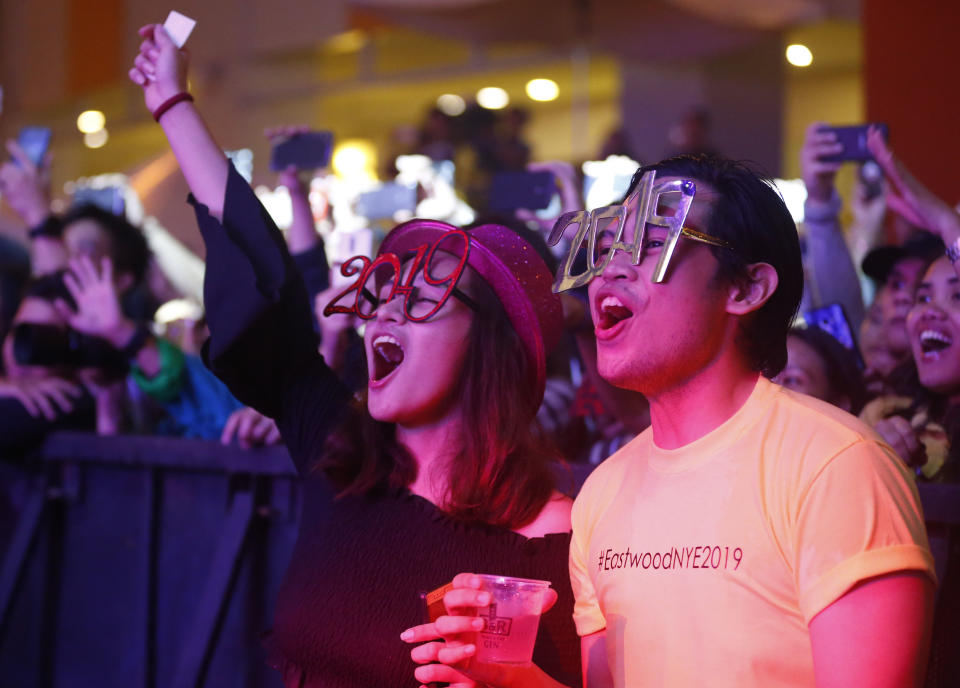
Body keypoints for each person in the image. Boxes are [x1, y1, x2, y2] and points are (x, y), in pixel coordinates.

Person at [129, 23, 580, 687]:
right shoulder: (339, 456)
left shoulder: (560, 535)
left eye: (422, 299)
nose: (383, 313)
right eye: (381, 295)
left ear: (490, 345)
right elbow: (260, 271)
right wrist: (173, 102)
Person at [413, 154, 936, 687]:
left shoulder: (837, 466)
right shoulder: (603, 494)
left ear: (746, 289)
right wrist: (507, 677)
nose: (611, 269)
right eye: (609, 244)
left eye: (652, 242)